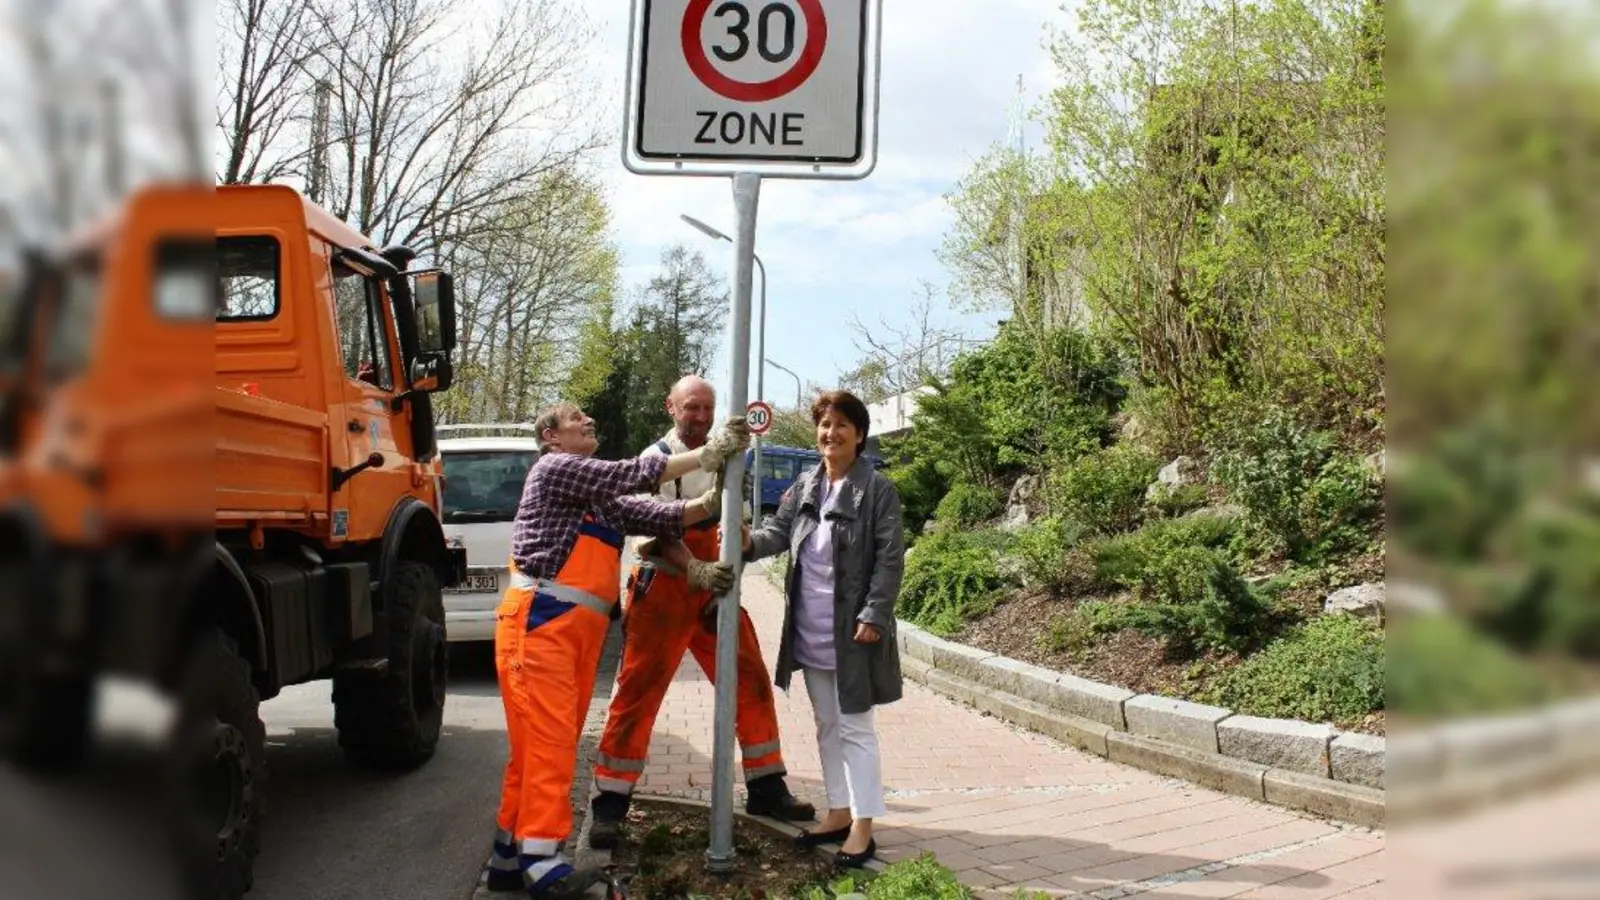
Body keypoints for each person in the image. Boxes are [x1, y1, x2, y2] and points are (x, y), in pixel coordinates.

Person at [485, 402, 749, 898]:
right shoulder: (555, 468)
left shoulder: (599, 498)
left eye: (589, 416)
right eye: (575, 419)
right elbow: (632, 472)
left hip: (572, 634)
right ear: (551, 437)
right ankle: (541, 860)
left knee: (535, 748)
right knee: (552, 744)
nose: (588, 421)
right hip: (541, 623)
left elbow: (659, 513)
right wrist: (707, 456)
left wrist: (718, 496)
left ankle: (506, 858)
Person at [587, 376, 816, 850]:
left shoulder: (728, 459)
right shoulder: (655, 460)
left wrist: (720, 579)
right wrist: (692, 569)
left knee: (749, 678)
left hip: (712, 587)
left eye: (707, 408)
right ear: (671, 407)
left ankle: (767, 786)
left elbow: (734, 525)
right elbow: (653, 530)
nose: (701, 416)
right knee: (638, 692)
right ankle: (609, 805)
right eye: (692, 407)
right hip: (663, 589)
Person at [740, 389, 905, 869]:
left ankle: (863, 827)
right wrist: (746, 538)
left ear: (859, 435)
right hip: (809, 628)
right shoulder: (807, 482)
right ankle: (838, 810)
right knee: (827, 724)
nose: (830, 434)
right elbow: (777, 533)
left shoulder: (877, 490)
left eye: (841, 427)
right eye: (824, 425)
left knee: (856, 727)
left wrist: (874, 614)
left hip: (853, 631)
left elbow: (889, 560)